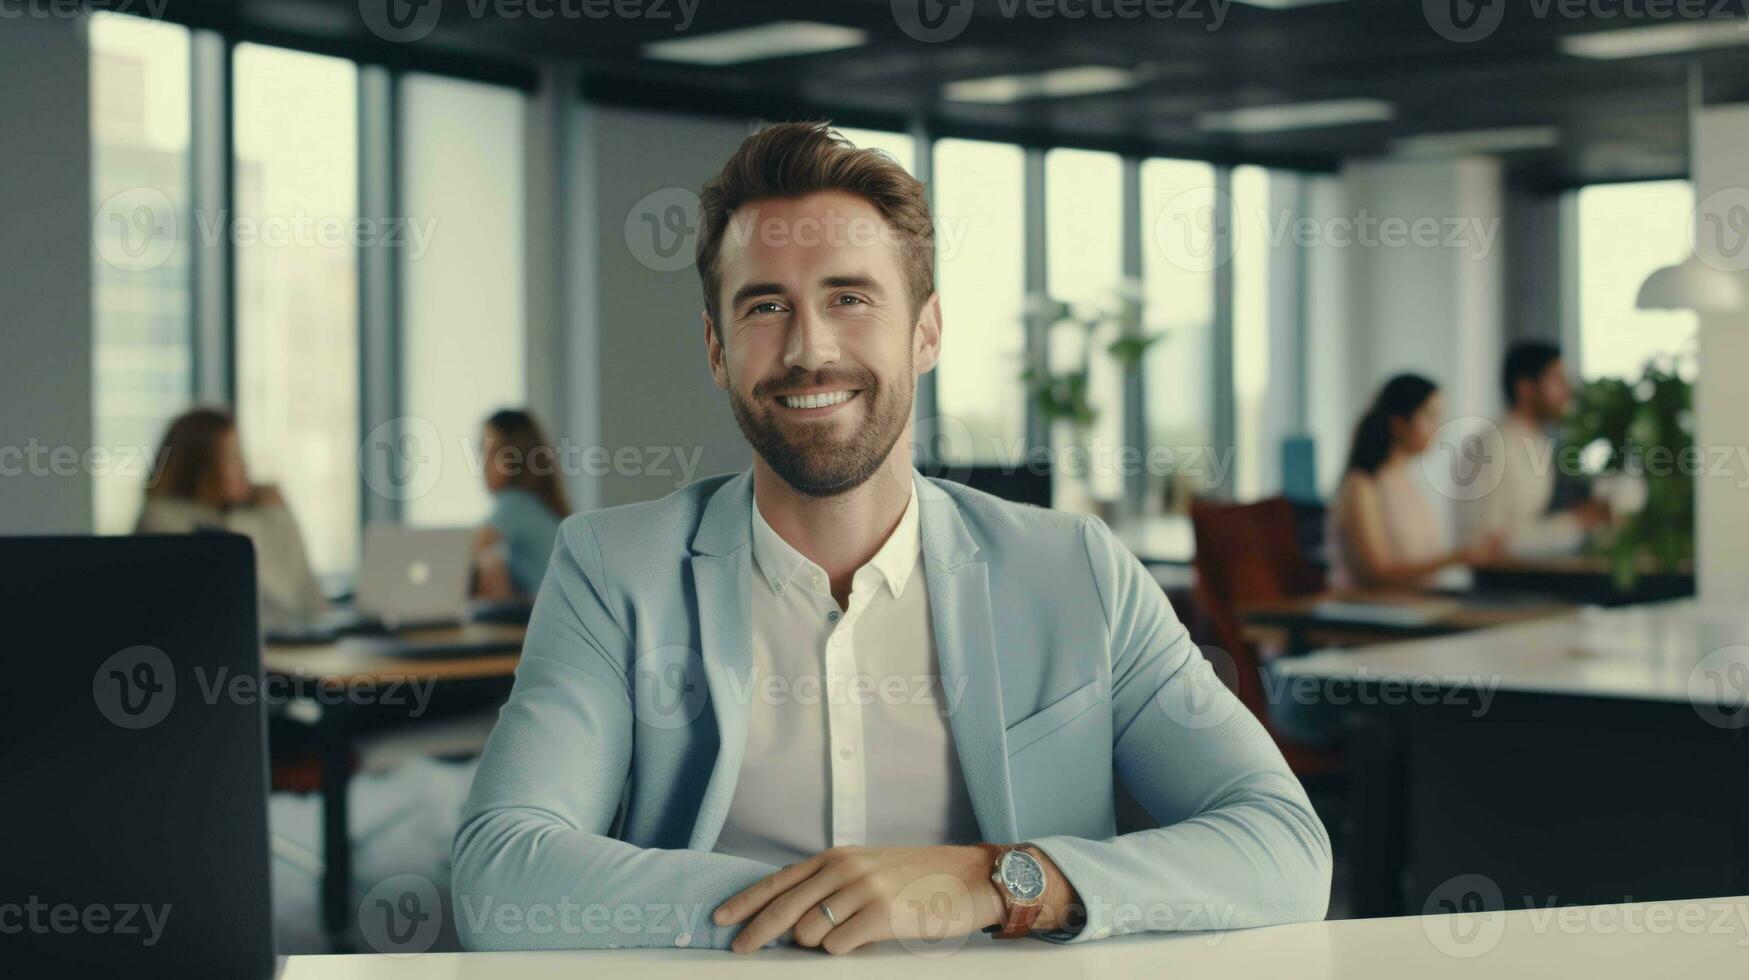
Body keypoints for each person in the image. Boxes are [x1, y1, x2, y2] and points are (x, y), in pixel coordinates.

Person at [452, 122, 1331, 955]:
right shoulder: (615, 570)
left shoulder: (1075, 571)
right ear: (717, 349)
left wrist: (992, 883)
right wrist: (820, 911)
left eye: (849, 297)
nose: (809, 348)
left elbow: (1283, 849)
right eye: (765, 307)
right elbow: (499, 875)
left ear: (926, 331)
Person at [135, 407, 327, 622]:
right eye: (233, 458)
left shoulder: (246, 514)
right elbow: (262, 590)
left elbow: (307, 595)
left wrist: (277, 513)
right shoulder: (163, 519)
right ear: (201, 468)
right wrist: (274, 515)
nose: (245, 467)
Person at [1327, 374, 1502, 591]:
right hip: (1377, 612)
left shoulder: (1407, 482)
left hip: (1416, 604)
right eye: (1429, 417)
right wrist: (1456, 558)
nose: (1439, 429)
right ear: (1399, 423)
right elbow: (1376, 575)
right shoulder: (1361, 487)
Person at [1455, 342, 1610, 558]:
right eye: (1557, 380)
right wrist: (1575, 522)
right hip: (1498, 584)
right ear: (1525, 387)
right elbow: (1486, 543)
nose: (1568, 390)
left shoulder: (1538, 442)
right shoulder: (1490, 446)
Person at [471, 409, 569, 600]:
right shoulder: (540, 504)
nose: (482, 463)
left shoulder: (516, 502)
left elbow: (466, 552)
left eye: (491, 453)